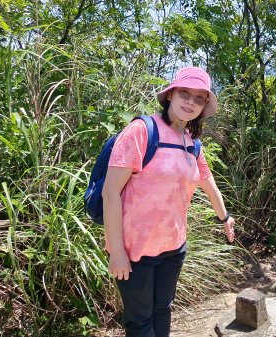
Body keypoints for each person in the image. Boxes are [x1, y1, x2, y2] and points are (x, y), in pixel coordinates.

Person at [101, 66, 235, 337]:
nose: (191, 102)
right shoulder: (142, 131)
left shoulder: (191, 143)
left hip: (174, 247)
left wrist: (225, 217)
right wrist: (116, 251)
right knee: (140, 323)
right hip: (136, 251)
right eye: (185, 93)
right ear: (171, 94)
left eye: (199, 98)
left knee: (163, 310)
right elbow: (110, 192)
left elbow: (208, 182)